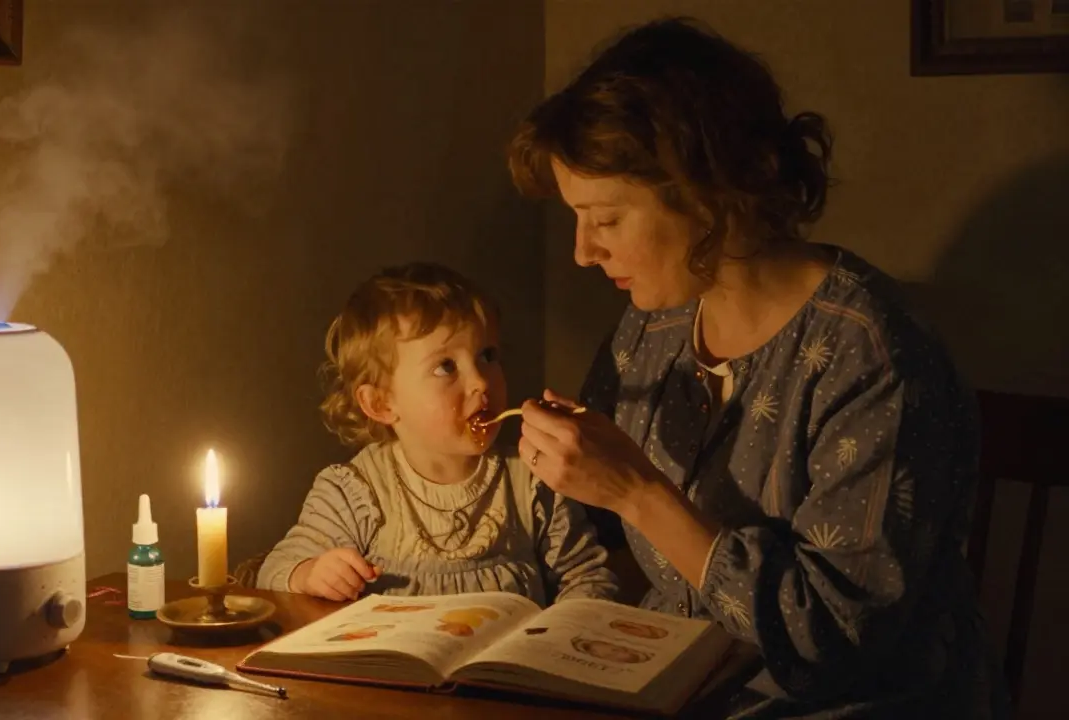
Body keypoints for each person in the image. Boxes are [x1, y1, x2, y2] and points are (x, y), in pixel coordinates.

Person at [506, 16, 1008, 719]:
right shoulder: (652, 327)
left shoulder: (874, 357)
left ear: (708, 190)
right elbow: (593, 533)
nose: (583, 252)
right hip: (678, 684)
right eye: (577, 220)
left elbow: (831, 641)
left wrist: (639, 492)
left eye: (607, 220)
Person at [257, 262, 617, 606]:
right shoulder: (355, 492)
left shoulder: (533, 480)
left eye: (487, 355)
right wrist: (312, 574)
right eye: (446, 366)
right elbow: (275, 570)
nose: (480, 381)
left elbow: (587, 577)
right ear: (381, 403)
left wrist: (568, 626)